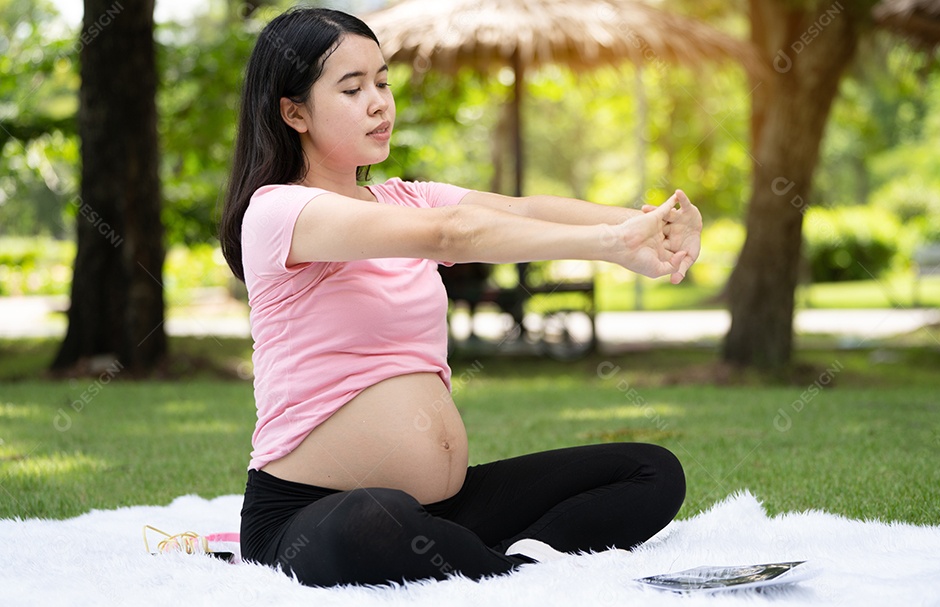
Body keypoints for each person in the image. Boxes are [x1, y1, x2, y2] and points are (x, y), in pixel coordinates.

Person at [219, 7, 702, 588]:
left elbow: (519, 211)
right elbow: (454, 233)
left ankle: (504, 564)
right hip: (308, 513)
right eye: (352, 88)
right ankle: (503, 571)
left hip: (447, 503)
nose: (379, 103)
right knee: (379, 518)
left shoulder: (406, 199)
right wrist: (609, 245)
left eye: (382, 81)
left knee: (651, 472)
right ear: (293, 112)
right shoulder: (278, 212)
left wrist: (647, 225)